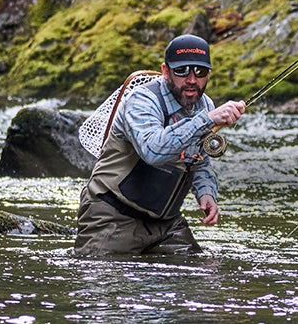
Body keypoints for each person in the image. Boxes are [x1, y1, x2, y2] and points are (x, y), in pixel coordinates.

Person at [75, 34, 246, 255]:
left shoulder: (205, 105)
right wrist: (208, 120)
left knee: (203, 276)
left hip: (166, 224)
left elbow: (199, 161)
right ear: (166, 71)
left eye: (200, 72)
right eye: (182, 71)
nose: (192, 80)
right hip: (112, 214)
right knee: (106, 285)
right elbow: (152, 150)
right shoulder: (141, 101)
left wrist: (206, 194)